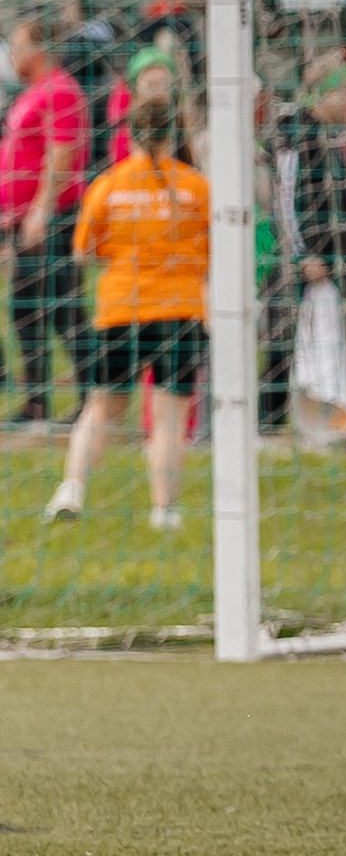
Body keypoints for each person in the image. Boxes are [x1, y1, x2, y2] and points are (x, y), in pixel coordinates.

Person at [44, 96, 207, 531]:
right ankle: (164, 512)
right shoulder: (196, 187)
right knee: (170, 417)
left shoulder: (109, 185)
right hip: (180, 310)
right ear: (174, 134)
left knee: (101, 409)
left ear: (130, 135)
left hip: (121, 308)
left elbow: (82, 252)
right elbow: (212, 251)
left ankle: (72, 488)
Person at [263, 51, 346, 437]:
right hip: (304, 260)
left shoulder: (332, 138)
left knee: (328, 339)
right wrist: (302, 254)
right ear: (333, 96)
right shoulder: (298, 135)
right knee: (283, 339)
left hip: (330, 257)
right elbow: (286, 200)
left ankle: (336, 423)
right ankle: (268, 425)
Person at [3, 20, 96, 429]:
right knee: (25, 310)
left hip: (53, 220)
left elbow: (61, 154)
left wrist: (40, 210)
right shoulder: (33, 93)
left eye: (17, 46)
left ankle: (91, 401)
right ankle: (37, 404)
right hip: (25, 220)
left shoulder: (60, 91)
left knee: (64, 311)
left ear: (38, 49)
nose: (11, 54)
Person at [106, 47, 178, 164]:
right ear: (135, 89)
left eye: (165, 84)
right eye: (151, 85)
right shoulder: (125, 138)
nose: (158, 92)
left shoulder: (179, 125)